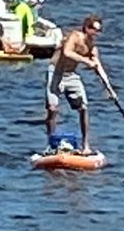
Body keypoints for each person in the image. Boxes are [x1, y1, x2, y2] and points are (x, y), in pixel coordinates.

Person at [45, 14, 116, 155]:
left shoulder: (92, 47)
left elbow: (98, 66)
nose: (95, 33)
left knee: (84, 108)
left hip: (71, 75)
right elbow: (67, 53)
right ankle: (50, 143)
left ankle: (85, 145)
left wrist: (109, 88)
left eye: (98, 31)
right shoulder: (74, 36)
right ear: (86, 28)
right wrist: (86, 61)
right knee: (52, 109)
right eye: (93, 29)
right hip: (56, 72)